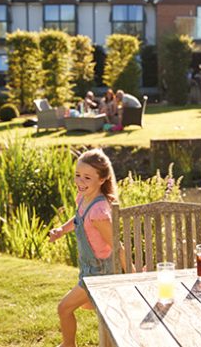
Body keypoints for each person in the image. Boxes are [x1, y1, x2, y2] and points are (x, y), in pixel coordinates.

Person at [49, 149, 126, 347]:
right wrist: (61, 230)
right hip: (89, 269)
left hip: (100, 273)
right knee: (86, 305)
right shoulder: (84, 197)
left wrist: (133, 274)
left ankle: (68, 345)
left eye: (87, 177)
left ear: (102, 179)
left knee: (64, 308)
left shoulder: (99, 212)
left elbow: (117, 246)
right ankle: (109, 314)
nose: (80, 181)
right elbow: (78, 218)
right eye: (78, 175)